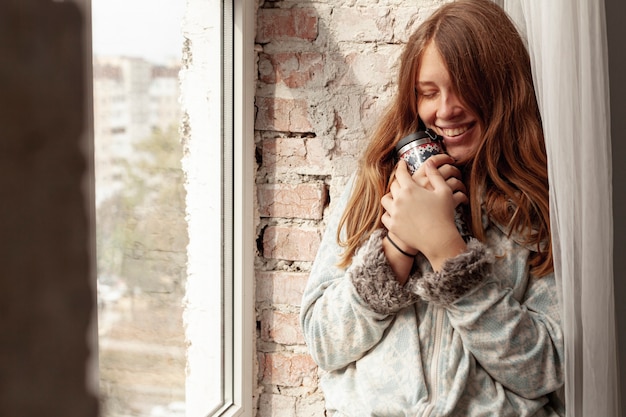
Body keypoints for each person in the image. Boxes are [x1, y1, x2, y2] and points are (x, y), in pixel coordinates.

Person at [299, 0, 565, 416]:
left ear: (503, 89)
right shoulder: (374, 185)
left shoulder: (537, 206)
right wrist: (398, 245)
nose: (446, 109)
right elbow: (323, 343)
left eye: (466, 88)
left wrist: (447, 252)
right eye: (429, 92)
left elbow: (545, 370)